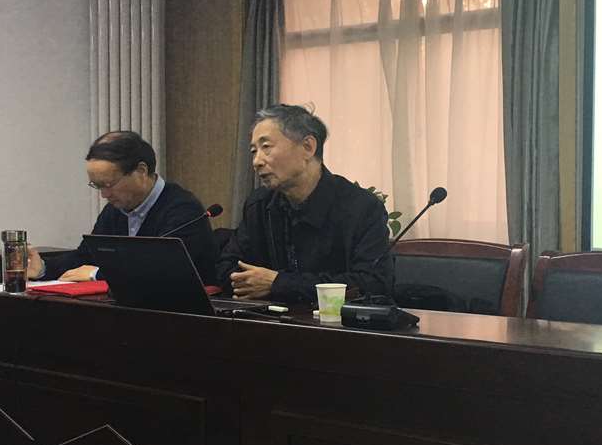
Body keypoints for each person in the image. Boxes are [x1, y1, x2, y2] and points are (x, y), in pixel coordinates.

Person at [217, 104, 393, 303]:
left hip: (335, 321)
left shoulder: (361, 207)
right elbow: (226, 266)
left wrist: (279, 284)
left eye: (266, 147)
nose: (256, 161)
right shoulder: (259, 205)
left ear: (308, 147)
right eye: (253, 151)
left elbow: (373, 283)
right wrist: (253, 283)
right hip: (270, 319)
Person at [28, 131, 217, 284]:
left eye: (108, 184)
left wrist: (97, 275)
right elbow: (86, 257)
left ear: (141, 171)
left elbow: (165, 271)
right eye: (97, 185)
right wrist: (43, 268)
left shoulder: (184, 210)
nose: (104, 194)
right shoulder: (115, 209)